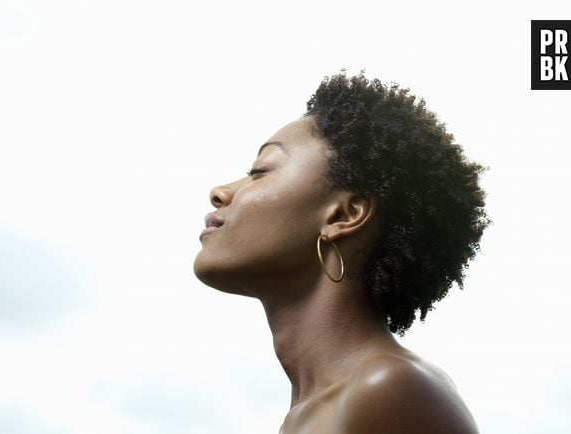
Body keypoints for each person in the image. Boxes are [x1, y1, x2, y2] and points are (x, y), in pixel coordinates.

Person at [193, 71, 490, 434]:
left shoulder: (388, 391)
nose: (220, 192)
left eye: (260, 172)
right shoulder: (311, 413)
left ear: (343, 215)